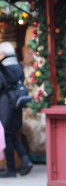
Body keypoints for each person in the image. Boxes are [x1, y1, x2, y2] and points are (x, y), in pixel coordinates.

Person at [0, 41, 33, 178]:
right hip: (16, 105)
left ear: (3, 54)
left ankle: (11, 169)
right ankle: (25, 160)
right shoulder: (18, 67)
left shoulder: (3, 68)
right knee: (12, 134)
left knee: (7, 136)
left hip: (5, 105)